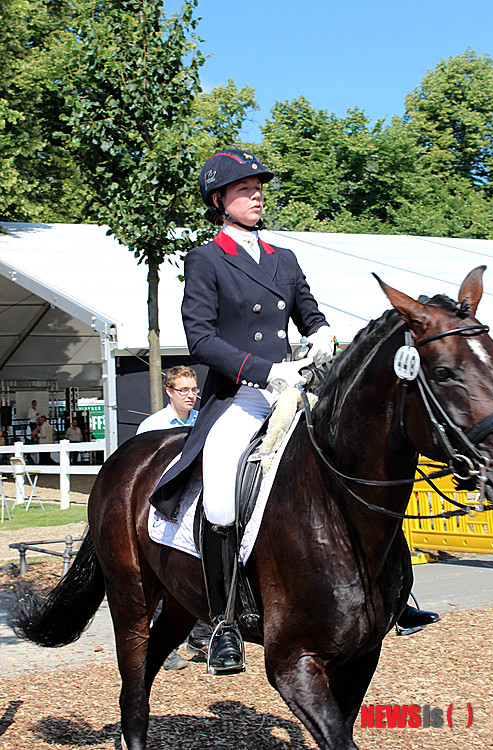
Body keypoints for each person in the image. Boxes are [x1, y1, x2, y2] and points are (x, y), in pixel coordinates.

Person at [150, 149, 337, 674]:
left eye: (259, 188)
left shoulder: (284, 259)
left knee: (359, 449)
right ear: (219, 201)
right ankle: (223, 624)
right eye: (244, 189)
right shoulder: (206, 259)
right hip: (242, 394)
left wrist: (321, 332)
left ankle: (396, 590)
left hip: (293, 389)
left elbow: (308, 309)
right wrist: (261, 370)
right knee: (222, 489)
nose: (257, 195)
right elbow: (202, 339)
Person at [137, 366, 212, 670]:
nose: (191, 395)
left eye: (194, 389)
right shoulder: (152, 426)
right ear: (169, 392)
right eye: (184, 390)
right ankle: (164, 643)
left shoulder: (204, 420)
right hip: (163, 506)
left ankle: (203, 635)